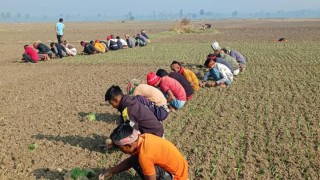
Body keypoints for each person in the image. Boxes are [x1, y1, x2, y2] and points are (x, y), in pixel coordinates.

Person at [99, 124, 188, 180]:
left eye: (121, 148)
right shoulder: (143, 137)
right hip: (180, 169)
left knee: (140, 162)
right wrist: (112, 171)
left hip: (178, 177)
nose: (122, 151)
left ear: (129, 146)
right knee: (134, 160)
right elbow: (131, 161)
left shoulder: (145, 155)